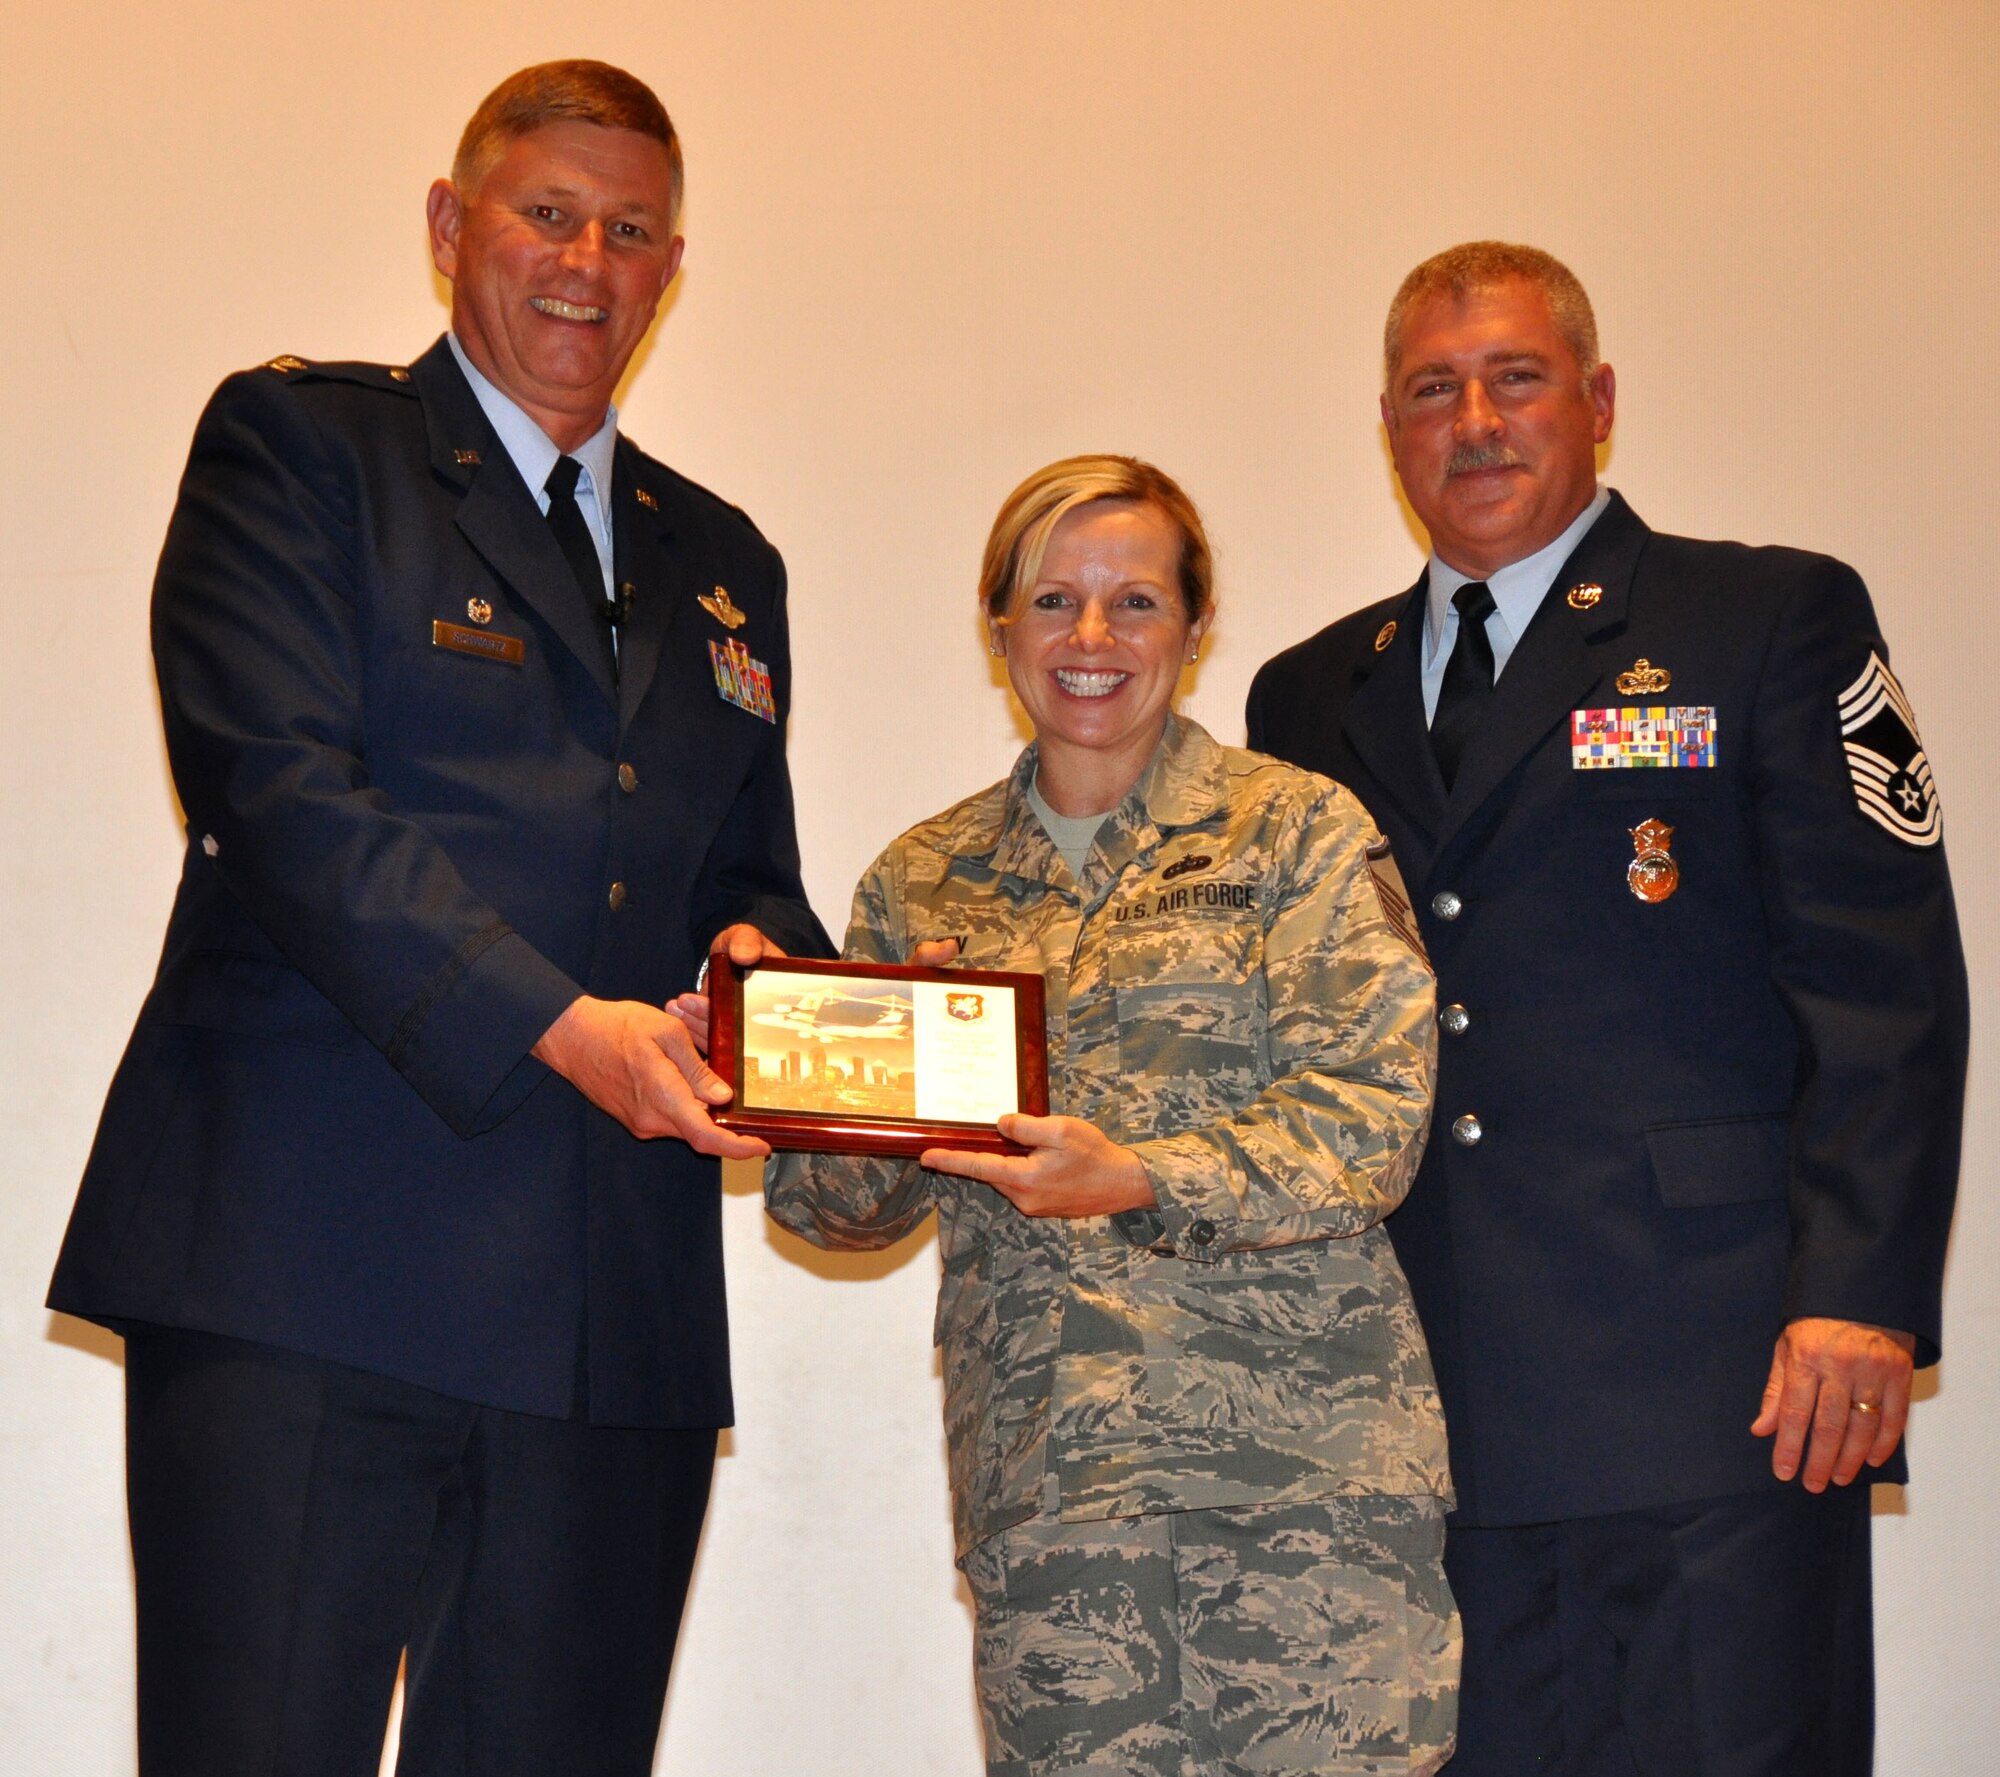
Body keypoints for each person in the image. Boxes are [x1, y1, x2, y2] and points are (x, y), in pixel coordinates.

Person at [47, 60, 830, 1775]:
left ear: (671, 268)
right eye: (547, 214)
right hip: (308, 1271)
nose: (585, 265)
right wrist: (566, 1027)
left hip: (604, 1317)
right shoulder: (306, 448)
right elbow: (281, 796)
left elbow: (744, 877)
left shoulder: (725, 561)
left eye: (630, 233)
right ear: (449, 226)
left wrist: (764, 976)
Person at [1247, 241, 1967, 1776]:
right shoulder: (1307, 698)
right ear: (1389, 425)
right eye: (1435, 389)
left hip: (1718, 1383)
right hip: (1425, 1398)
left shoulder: (1764, 620)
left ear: (1599, 400)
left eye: (1517, 376)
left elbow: (1884, 976)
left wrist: (1862, 1288)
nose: (1477, 420)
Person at [757, 456, 1458, 1775]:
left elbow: (1372, 1118)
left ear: (1194, 629)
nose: (1093, 639)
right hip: (1056, 1504)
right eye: (1054, 600)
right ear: (1000, 627)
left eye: (1136, 601)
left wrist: (1138, 1174)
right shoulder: (919, 882)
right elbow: (837, 1209)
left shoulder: (1296, 831)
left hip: (1306, 1490)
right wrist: (778, 1065)